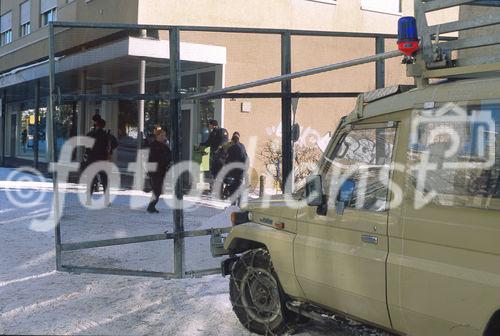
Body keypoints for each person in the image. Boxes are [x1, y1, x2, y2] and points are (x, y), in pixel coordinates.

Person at [85, 118, 113, 202]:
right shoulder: (106, 135)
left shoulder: (90, 134)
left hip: (92, 159)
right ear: (103, 126)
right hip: (103, 160)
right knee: (104, 180)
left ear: (96, 125)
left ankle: (88, 199)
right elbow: (112, 146)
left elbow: (87, 147)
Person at [147, 128, 172, 213]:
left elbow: (169, 156)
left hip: (161, 170)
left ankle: (151, 206)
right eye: (161, 135)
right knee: (157, 189)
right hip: (155, 171)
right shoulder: (153, 146)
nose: (163, 137)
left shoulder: (164, 146)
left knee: (157, 189)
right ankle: (151, 206)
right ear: (157, 136)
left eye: (164, 135)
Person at [198, 119, 228, 183]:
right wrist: (201, 144)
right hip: (214, 155)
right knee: (214, 171)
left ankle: (220, 188)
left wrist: (219, 148)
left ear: (213, 125)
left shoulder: (222, 131)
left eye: (210, 124)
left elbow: (224, 141)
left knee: (220, 171)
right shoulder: (212, 133)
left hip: (221, 155)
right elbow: (208, 143)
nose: (209, 126)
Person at [224, 132, 248, 205]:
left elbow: (227, 160)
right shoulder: (242, 146)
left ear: (233, 140)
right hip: (241, 170)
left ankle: (233, 204)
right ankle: (240, 204)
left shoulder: (231, 148)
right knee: (239, 187)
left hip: (233, 171)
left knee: (232, 188)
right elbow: (246, 157)